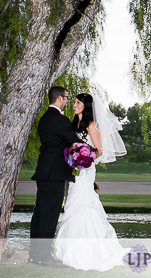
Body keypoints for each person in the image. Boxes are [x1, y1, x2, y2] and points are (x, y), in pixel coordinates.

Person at [53, 92, 127, 270]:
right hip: (73, 171)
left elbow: (99, 150)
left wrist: (85, 159)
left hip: (85, 171)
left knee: (84, 204)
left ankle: (90, 251)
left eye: (78, 103)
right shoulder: (73, 124)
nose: (75, 105)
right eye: (75, 102)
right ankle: (68, 249)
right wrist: (72, 158)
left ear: (86, 106)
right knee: (72, 203)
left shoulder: (91, 125)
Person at [29, 86, 82, 266]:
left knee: (40, 214)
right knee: (49, 215)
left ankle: (34, 255)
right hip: (54, 174)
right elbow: (74, 141)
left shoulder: (45, 118)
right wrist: (91, 152)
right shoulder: (60, 120)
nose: (68, 101)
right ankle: (43, 257)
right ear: (59, 98)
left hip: (45, 172)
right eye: (66, 98)